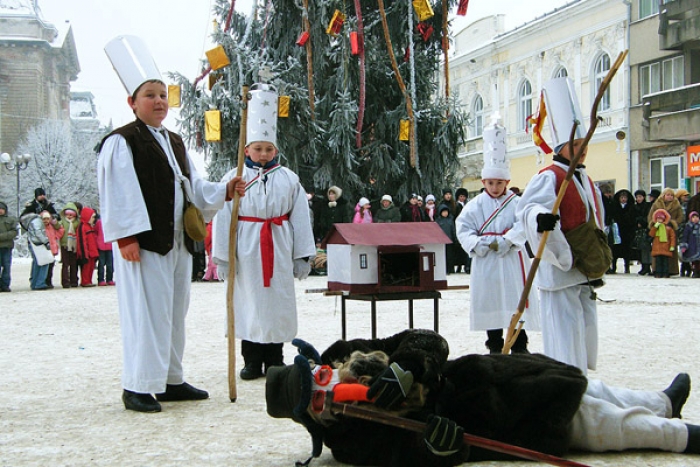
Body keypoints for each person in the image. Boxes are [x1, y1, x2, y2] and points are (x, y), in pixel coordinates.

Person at [266, 329, 700, 467]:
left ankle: (662, 401)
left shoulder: (353, 352)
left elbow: (428, 339)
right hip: (502, 418)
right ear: (314, 419)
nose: (327, 390)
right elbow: (409, 455)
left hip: (490, 373)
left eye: (319, 378)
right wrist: (438, 446)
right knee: (602, 423)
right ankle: (677, 434)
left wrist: (409, 364)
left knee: (594, 389)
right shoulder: (352, 442)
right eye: (316, 401)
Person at [98, 35, 246, 413]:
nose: (159, 101)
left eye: (163, 94)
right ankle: (138, 385)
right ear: (132, 103)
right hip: (145, 244)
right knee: (146, 313)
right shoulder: (123, 141)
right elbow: (120, 193)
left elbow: (192, 186)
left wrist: (223, 190)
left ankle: (169, 379)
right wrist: (127, 236)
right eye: (150, 95)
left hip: (178, 241)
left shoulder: (175, 141)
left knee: (174, 311)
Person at [212, 82, 316, 381]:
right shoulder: (235, 177)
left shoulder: (288, 179)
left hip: (278, 244)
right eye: (257, 148)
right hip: (246, 247)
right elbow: (223, 217)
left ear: (276, 150)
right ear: (247, 149)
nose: (262, 153)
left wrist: (302, 255)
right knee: (248, 303)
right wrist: (223, 257)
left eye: (268, 148)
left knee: (275, 303)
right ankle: (251, 359)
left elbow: (300, 218)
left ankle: (274, 358)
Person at [516, 77, 608, 374]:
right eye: (576, 144)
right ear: (562, 145)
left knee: (584, 323)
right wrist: (539, 220)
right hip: (560, 267)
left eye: (585, 144)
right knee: (564, 327)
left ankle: (580, 372)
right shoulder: (550, 176)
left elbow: (597, 217)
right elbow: (526, 209)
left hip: (584, 266)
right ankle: (566, 373)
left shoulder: (586, 178)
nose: (583, 150)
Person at [456, 117, 539, 354]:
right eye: (491, 183)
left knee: (514, 301)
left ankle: (519, 344)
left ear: (507, 182)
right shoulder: (474, 204)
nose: (495, 187)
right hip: (487, 261)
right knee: (491, 302)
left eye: (499, 183)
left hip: (511, 258)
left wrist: (508, 240)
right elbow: (463, 227)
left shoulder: (516, 202)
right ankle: (493, 344)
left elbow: (523, 223)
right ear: (483, 182)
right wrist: (480, 244)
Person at [648, 188, 684, 276]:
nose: (670, 197)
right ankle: (657, 269)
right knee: (658, 251)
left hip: (670, 229)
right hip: (658, 230)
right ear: (663, 195)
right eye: (668, 195)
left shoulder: (677, 205)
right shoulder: (656, 204)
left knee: (670, 251)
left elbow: (680, 217)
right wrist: (654, 223)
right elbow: (650, 216)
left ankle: (671, 269)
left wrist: (673, 223)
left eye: (671, 195)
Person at [20, 211, 52, 291]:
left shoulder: (32, 221)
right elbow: (38, 233)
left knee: (37, 263)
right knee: (44, 262)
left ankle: (34, 283)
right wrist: (46, 241)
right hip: (38, 244)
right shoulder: (37, 221)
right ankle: (40, 283)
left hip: (34, 244)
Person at [608, 189, 635, 274]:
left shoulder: (631, 207)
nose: (623, 199)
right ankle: (614, 267)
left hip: (627, 231)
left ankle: (627, 267)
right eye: (622, 197)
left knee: (627, 250)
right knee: (615, 250)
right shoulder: (615, 206)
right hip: (617, 231)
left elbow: (632, 218)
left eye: (625, 197)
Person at [649, 208, 677, 278]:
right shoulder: (655, 227)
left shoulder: (668, 228)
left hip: (666, 248)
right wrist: (655, 227)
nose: (659, 220)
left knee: (665, 263)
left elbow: (672, 237)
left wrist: (672, 246)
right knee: (658, 262)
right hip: (657, 248)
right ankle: (658, 273)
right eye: (658, 219)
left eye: (661, 219)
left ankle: (665, 273)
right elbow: (651, 234)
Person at [57, 203, 80, 288]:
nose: (69, 216)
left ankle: (74, 281)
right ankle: (65, 282)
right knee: (65, 264)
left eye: (71, 214)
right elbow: (57, 226)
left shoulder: (77, 222)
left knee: (73, 264)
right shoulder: (62, 221)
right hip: (64, 245)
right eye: (67, 214)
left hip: (74, 245)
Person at [76, 206, 99, 287]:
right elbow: (82, 241)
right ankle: (85, 281)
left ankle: (89, 280)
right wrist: (84, 254)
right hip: (87, 252)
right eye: (92, 217)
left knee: (91, 267)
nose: (94, 219)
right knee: (86, 267)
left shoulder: (89, 226)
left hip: (92, 251)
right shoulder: (82, 227)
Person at [632, 189, 653, 275]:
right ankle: (643, 266)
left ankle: (647, 266)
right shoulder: (634, 207)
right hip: (637, 231)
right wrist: (637, 222)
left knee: (646, 249)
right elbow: (631, 217)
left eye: (640, 197)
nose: (638, 199)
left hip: (646, 229)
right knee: (639, 250)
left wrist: (642, 221)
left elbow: (648, 216)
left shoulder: (647, 206)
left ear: (644, 197)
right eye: (637, 197)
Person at [41, 210, 63, 289]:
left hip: (52, 250)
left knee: (50, 267)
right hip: (44, 250)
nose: (46, 221)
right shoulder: (41, 227)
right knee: (44, 267)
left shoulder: (52, 226)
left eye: (47, 219)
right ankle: (43, 281)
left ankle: (49, 281)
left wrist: (55, 224)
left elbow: (60, 231)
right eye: (44, 219)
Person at [0, 201, 18, 292]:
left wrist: (3, 236)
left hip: (7, 247)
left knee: (7, 266)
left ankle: (5, 285)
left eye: (2, 209)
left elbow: (14, 232)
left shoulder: (11, 220)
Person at [94, 213, 115, 286]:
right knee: (101, 264)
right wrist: (97, 241)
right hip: (101, 245)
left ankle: (109, 279)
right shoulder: (99, 222)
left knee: (110, 264)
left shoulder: (112, 222)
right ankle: (101, 279)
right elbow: (95, 232)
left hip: (110, 245)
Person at [435, 204, 456, 275]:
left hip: (449, 240)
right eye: (443, 212)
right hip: (442, 241)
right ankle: (445, 269)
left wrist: (455, 238)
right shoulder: (438, 221)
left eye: (446, 212)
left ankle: (451, 268)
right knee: (443, 256)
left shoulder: (450, 220)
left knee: (450, 256)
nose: (445, 213)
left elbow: (453, 230)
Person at [676, 188, 691, 277]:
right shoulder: (677, 205)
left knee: (688, 248)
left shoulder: (689, 205)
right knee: (682, 249)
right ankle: (684, 266)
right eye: (684, 196)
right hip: (680, 229)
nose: (686, 198)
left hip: (687, 228)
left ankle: (686, 267)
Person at [680, 211, 700, 278]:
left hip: (698, 246)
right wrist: (684, 245)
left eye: (696, 217)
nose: (695, 219)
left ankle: (697, 271)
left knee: (698, 261)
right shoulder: (688, 227)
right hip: (691, 246)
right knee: (691, 260)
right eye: (693, 217)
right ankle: (691, 271)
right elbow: (685, 236)